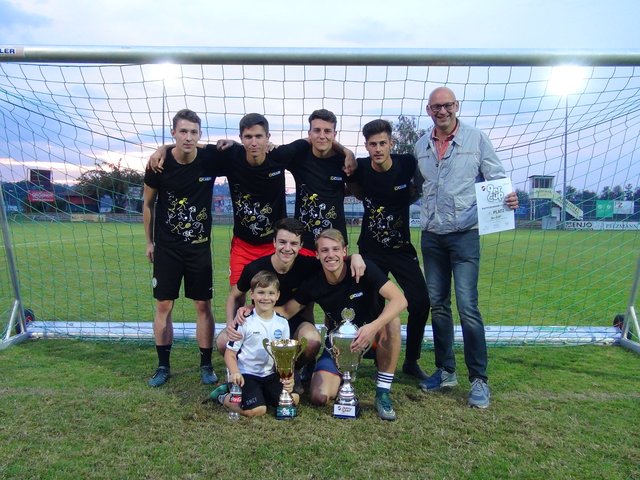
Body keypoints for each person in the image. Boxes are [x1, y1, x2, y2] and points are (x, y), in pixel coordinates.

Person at [414, 87, 519, 408]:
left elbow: (497, 177)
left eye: (447, 106)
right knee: (439, 306)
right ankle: (446, 371)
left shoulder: (476, 139)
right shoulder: (420, 145)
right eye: (435, 107)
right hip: (431, 236)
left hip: (464, 236)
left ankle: (479, 380)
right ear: (429, 110)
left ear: (456, 106)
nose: (441, 111)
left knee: (468, 307)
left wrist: (509, 197)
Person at [218, 218, 366, 393]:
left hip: (296, 323)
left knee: (312, 340)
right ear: (274, 242)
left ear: (301, 245)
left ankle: (292, 371)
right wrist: (231, 323)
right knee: (223, 341)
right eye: (282, 242)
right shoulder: (255, 268)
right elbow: (235, 296)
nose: (287, 248)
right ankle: (245, 372)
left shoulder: (309, 266)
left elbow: (333, 257)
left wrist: (355, 256)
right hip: (262, 321)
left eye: (293, 243)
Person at [279, 229, 407, 421]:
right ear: (317, 254)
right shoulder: (314, 283)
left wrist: (372, 327)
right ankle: (343, 377)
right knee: (319, 396)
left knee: (392, 322)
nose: (330, 255)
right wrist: (252, 309)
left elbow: (400, 300)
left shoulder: (364, 269)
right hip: (340, 346)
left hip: (372, 338)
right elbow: (287, 311)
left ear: (344, 251)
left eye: (335, 249)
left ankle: (382, 393)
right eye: (324, 250)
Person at [143, 108, 229, 387]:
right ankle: (163, 366)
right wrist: (149, 242)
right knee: (163, 305)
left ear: (200, 135)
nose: (188, 137)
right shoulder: (159, 164)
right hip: (167, 248)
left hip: (198, 248)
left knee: (203, 304)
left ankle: (205, 365)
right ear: (173, 133)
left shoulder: (209, 159)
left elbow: (240, 152)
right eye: (183, 131)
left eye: (193, 132)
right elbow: (147, 203)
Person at [349, 119, 431, 380]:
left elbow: (423, 182)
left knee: (420, 302)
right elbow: (346, 177)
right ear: (367, 146)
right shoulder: (361, 167)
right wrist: (347, 152)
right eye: (372, 144)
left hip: (401, 250)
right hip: (371, 251)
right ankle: (374, 353)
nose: (378, 149)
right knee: (370, 303)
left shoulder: (406, 164)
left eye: (382, 143)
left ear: (391, 144)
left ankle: (412, 360)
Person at [209, 270, 298, 418]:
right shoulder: (244, 322)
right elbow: (230, 353)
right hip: (247, 375)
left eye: (270, 293)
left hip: (270, 375)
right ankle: (222, 396)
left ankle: (262, 395)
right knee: (257, 411)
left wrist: (290, 378)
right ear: (252, 294)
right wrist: (235, 372)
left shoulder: (282, 323)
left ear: (277, 295)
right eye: (261, 292)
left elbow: (286, 357)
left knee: (293, 399)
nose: (266, 298)